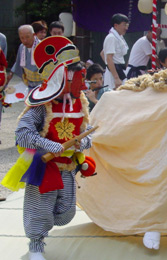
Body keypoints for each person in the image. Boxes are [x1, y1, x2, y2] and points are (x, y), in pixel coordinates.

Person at [1, 36, 93, 260]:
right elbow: (22, 135)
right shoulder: (41, 106)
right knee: (39, 210)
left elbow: (87, 130)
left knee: (66, 213)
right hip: (44, 166)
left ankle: (43, 228)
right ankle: (36, 244)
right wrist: (48, 144)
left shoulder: (79, 102)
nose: (83, 81)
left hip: (68, 166)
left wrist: (85, 141)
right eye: (78, 76)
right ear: (63, 77)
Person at [6, 25, 42, 92]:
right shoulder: (22, 47)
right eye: (22, 38)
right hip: (29, 83)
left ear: (34, 35)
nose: (25, 40)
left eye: (27, 37)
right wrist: (11, 73)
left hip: (43, 84)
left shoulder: (42, 46)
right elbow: (18, 61)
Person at [102, 13, 129, 90]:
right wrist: (116, 77)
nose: (126, 28)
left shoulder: (119, 37)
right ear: (116, 25)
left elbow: (102, 53)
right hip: (114, 73)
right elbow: (109, 58)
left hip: (118, 70)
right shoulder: (111, 37)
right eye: (124, 25)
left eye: (127, 25)